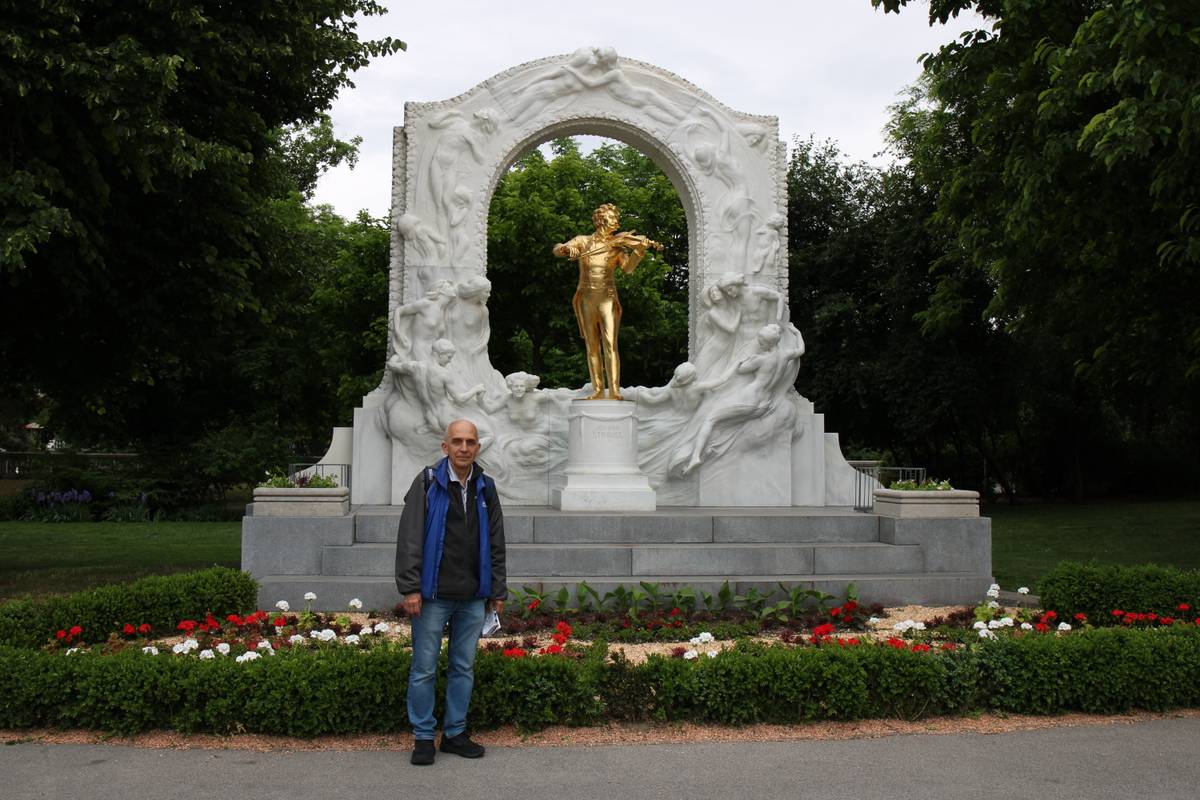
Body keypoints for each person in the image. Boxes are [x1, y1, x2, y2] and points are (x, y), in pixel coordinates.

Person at [394, 419, 507, 765]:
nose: (463, 447)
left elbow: (496, 542)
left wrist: (497, 590)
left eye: (470, 442)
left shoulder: (485, 487)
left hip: (472, 595)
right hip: (433, 595)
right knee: (424, 668)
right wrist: (410, 588)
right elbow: (410, 537)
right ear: (445, 447)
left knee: (463, 667)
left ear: (477, 448)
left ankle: (455, 734)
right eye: (457, 441)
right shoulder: (427, 482)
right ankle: (423, 736)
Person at [552, 203, 662, 400]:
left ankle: (614, 390)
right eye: (613, 218)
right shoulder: (583, 241)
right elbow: (556, 250)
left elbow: (628, 269)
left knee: (610, 343)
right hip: (586, 298)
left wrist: (639, 251)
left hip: (608, 299)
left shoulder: (617, 247)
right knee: (592, 346)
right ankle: (597, 389)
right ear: (601, 220)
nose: (617, 222)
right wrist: (567, 249)